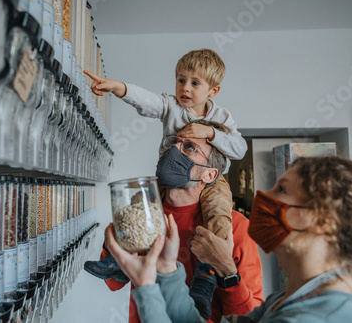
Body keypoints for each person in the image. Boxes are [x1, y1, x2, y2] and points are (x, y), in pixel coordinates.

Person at [107, 156, 352, 323]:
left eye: (281, 189)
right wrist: (166, 269)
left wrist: (146, 287)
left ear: (324, 222)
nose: (261, 194)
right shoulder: (289, 298)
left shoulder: (319, 317)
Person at [84, 49, 248, 318]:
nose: (185, 88)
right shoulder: (171, 106)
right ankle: (116, 260)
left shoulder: (222, 117)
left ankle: (206, 279)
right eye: (180, 80)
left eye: (195, 83)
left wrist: (210, 132)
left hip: (215, 183)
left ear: (213, 91)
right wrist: (117, 87)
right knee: (139, 208)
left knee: (218, 216)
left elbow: (239, 148)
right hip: (167, 178)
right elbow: (146, 100)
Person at [95, 126, 264, 323]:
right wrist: (114, 241)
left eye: (189, 147)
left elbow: (249, 316)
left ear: (209, 175)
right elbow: (113, 282)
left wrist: (227, 271)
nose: (174, 149)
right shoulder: (143, 214)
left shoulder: (236, 227)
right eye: (173, 143)